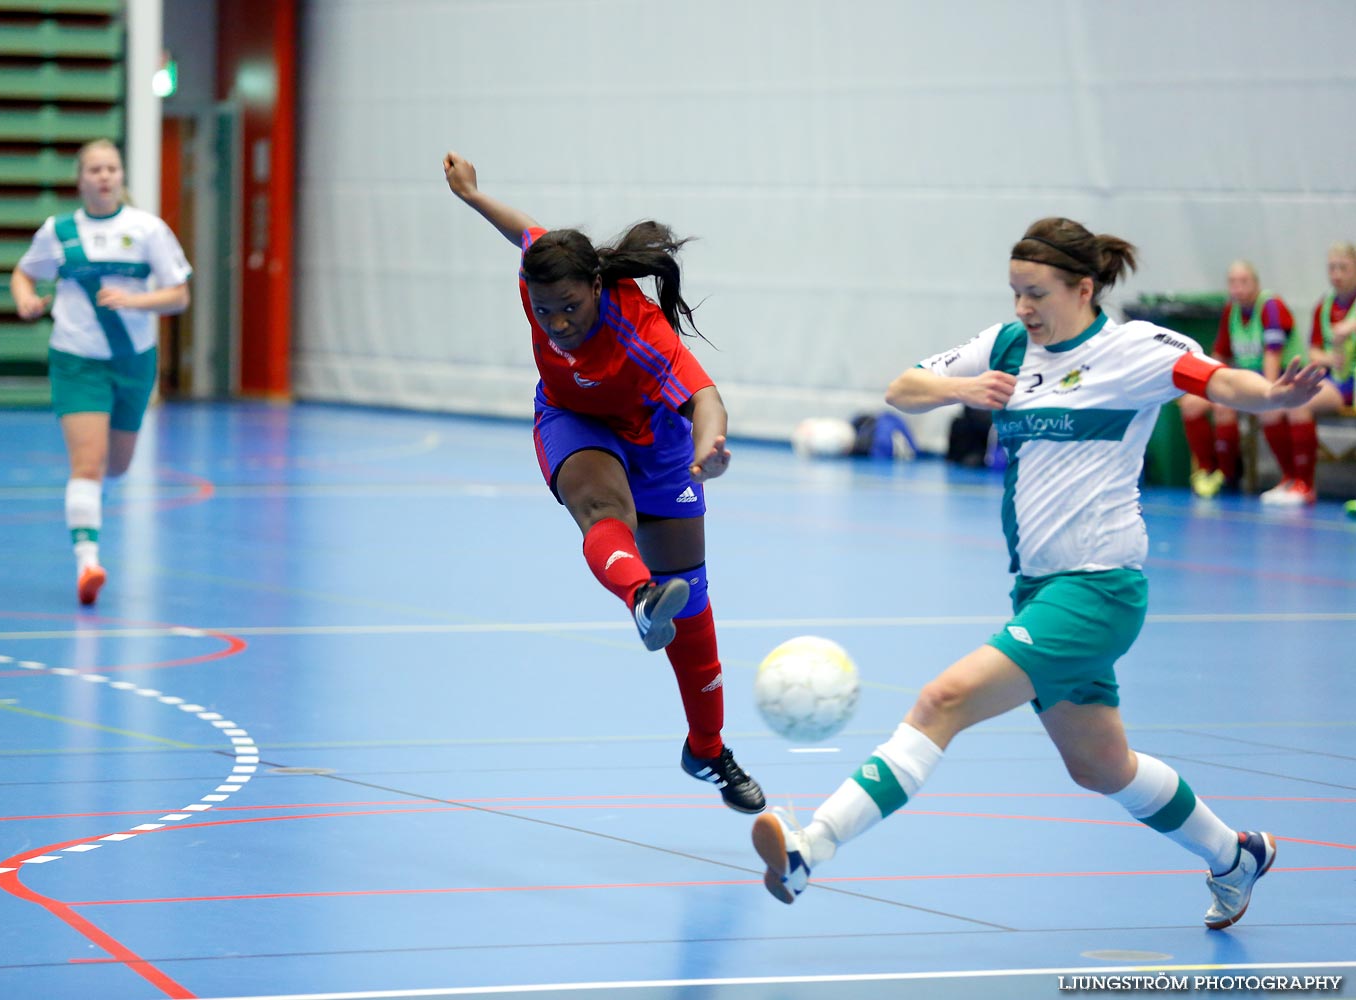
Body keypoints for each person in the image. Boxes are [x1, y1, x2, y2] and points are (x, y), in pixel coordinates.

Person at [752, 217, 1327, 928]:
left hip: (1100, 587)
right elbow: (902, 388)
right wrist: (960, 391)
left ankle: (813, 845)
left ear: (1084, 288)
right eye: (1016, 292)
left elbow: (1221, 380)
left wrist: (1275, 397)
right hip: (1038, 589)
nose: (1024, 307)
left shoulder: (1137, 349)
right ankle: (1234, 856)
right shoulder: (1006, 345)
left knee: (944, 699)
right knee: (1100, 766)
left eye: (1037, 293)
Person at [442, 151, 764, 813]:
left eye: (568, 308)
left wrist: (714, 447)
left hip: (661, 442)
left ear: (594, 285)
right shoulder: (543, 276)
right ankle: (641, 596)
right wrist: (473, 195)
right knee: (600, 506)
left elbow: (705, 397)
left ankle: (707, 748)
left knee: (696, 610)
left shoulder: (637, 329)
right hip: (575, 420)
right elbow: (525, 229)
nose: (556, 324)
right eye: (544, 311)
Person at [11, 139, 192, 605]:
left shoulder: (147, 229)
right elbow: (24, 273)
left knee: (119, 464)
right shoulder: (60, 231)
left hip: (134, 358)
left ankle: (91, 508)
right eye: (95, 169)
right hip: (77, 359)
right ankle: (88, 562)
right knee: (86, 464)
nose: (104, 176)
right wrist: (26, 301)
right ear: (81, 178)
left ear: (121, 176)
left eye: (112, 168)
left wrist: (135, 300)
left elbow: (179, 295)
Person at [1176, 261, 1300, 500]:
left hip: (1272, 381)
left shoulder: (1271, 306)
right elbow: (1220, 354)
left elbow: (1272, 354)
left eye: (1244, 282)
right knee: (1191, 404)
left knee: (1236, 407)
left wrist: (1269, 393)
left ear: (1256, 283)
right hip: (1242, 382)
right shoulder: (1231, 310)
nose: (1238, 288)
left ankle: (1235, 476)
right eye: (1233, 283)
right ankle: (1208, 470)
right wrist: (1203, 384)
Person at [1305, 242, 1356, 514]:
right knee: (1298, 400)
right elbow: (1314, 349)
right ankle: (1300, 482)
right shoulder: (1323, 306)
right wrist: (1328, 359)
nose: (1336, 274)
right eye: (1332, 268)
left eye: (1343, 268)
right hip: (1339, 380)